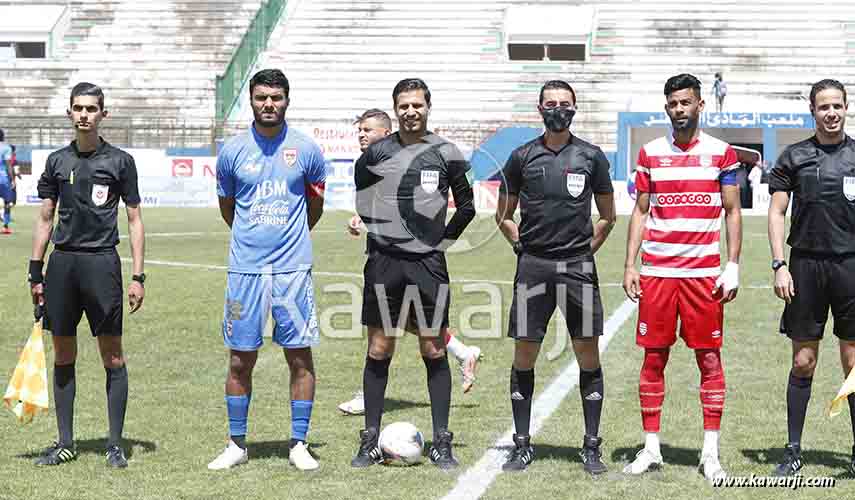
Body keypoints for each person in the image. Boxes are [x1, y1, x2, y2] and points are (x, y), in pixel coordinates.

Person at [350, 78, 476, 469]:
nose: (410, 111)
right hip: (385, 265)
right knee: (379, 348)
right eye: (403, 105)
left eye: (417, 105)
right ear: (395, 108)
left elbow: (467, 207)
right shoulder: (376, 154)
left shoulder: (445, 152)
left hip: (427, 267)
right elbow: (363, 202)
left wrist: (440, 241)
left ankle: (441, 441)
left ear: (428, 107)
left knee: (433, 348)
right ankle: (370, 439)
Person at [622, 73, 742, 482]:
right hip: (657, 274)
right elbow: (640, 211)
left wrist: (733, 265)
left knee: (709, 359)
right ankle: (651, 448)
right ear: (667, 107)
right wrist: (630, 264)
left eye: (686, 103)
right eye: (672, 104)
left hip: (703, 276)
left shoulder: (722, 153)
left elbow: (732, 211)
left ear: (699, 105)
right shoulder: (650, 153)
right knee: (654, 358)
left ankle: (710, 452)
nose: (679, 110)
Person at [207, 69, 326, 472]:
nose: (268, 104)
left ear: (287, 100)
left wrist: (288, 239)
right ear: (251, 101)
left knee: (299, 358)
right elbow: (228, 208)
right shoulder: (233, 152)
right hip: (246, 272)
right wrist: (253, 240)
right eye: (261, 97)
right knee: (241, 360)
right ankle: (237, 444)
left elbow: (314, 207)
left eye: (276, 97)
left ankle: (299, 443)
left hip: (292, 270)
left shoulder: (306, 150)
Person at [495, 80, 617, 473]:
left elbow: (608, 217)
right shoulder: (521, 157)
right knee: (525, 353)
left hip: (577, 268)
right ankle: (522, 443)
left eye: (565, 104)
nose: (558, 109)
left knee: (587, 355)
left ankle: (591, 445)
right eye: (551, 103)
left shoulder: (591, 157)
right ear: (539, 108)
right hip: (533, 266)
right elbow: (503, 215)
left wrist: (581, 253)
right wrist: (522, 248)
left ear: (575, 109)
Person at [29, 82, 146, 468]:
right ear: (69, 112)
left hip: (101, 264)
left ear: (103, 114)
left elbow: (134, 218)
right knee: (63, 352)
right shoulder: (56, 162)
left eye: (91, 109)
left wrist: (138, 276)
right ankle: (65, 442)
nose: (84, 114)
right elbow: (45, 217)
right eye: (77, 108)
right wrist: (36, 270)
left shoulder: (120, 162)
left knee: (111, 355)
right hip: (62, 265)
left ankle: (115, 443)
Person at [768, 78, 855, 477]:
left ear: (846, 107)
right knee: (803, 361)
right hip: (804, 266)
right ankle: (792, 451)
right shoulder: (794, 156)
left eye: (837, 105)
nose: (831, 113)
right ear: (813, 110)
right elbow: (776, 212)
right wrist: (778, 263)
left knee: (853, 364)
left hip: (851, 267)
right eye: (824, 107)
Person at [0, 129, 14, 234]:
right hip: (3, 179)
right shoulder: (6, 148)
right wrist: (12, 179)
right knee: (7, 203)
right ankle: (5, 226)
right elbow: (9, 165)